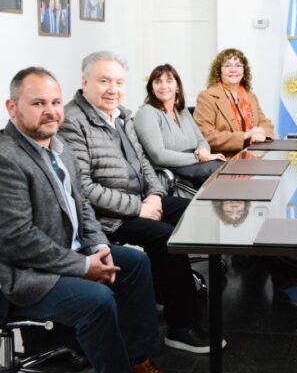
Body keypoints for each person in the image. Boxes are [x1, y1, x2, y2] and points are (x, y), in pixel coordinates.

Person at [0, 67, 162, 373]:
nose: (51, 112)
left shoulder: (59, 147)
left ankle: (137, 359)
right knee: (97, 299)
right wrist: (83, 266)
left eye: (55, 102)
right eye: (38, 103)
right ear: (12, 108)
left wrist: (99, 247)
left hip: (70, 250)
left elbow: (81, 205)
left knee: (135, 265)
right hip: (22, 273)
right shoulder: (0, 157)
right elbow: (18, 239)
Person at [60, 51, 222, 353]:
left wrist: (155, 195)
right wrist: (139, 209)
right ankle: (180, 324)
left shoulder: (121, 114)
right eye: (104, 81)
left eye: (119, 82)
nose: (113, 89)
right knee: (166, 237)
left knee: (195, 211)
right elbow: (84, 189)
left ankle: (182, 290)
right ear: (85, 82)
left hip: (142, 200)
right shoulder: (73, 121)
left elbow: (145, 162)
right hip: (107, 217)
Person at [134, 64, 226, 187]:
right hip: (173, 178)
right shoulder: (146, 112)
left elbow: (201, 140)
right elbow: (158, 156)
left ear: (177, 87)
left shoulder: (182, 111)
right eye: (158, 82)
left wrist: (203, 151)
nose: (164, 86)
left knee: (230, 177)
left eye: (169, 81)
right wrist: (199, 158)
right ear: (152, 89)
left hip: (195, 171)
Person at [194, 48, 274, 155]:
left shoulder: (250, 96)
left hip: (253, 156)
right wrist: (245, 135)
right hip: (224, 159)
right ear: (219, 71)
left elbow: (265, 123)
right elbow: (206, 135)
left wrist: (262, 133)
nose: (233, 70)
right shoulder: (207, 97)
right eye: (227, 65)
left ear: (244, 70)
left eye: (238, 65)